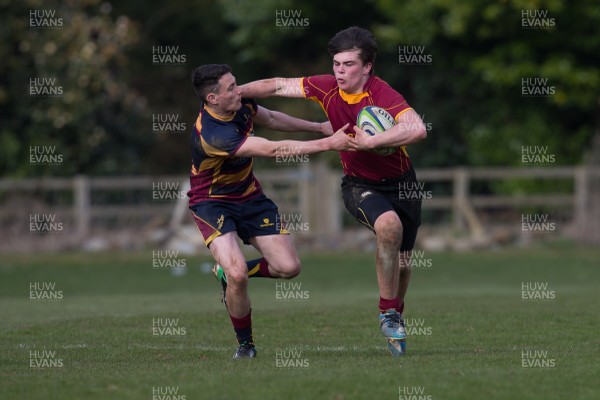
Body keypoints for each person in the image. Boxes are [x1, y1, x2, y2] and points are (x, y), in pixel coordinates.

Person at [239, 27, 427, 356]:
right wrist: (235, 92)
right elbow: (279, 84)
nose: (340, 71)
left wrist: (372, 141)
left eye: (349, 64)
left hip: (404, 184)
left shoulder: (382, 94)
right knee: (388, 226)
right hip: (359, 184)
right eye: (336, 64)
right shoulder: (326, 88)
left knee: (405, 261)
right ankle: (387, 312)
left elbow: (417, 128)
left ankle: (395, 312)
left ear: (367, 67)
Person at [188, 64, 356, 359]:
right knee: (238, 273)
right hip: (212, 202)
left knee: (289, 268)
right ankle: (246, 345)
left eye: (236, 83)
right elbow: (273, 150)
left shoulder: (241, 103)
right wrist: (328, 143)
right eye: (230, 88)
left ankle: (225, 275)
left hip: (250, 198)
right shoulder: (213, 134)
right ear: (212, 99)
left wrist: (318, 126)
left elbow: (273, 119)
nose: (238, 90)